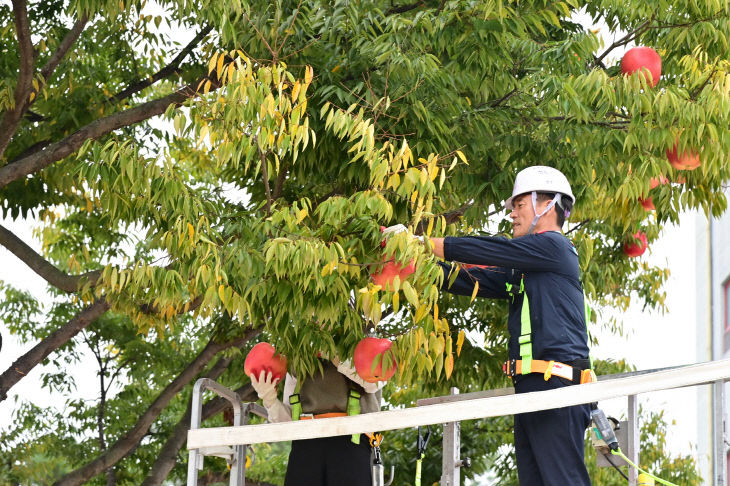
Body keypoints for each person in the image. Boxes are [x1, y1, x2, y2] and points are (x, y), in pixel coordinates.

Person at [394, 165, 593, 485]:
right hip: (532, 385)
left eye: (520, 205)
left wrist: (420, 243)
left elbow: (493, 250)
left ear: (548, 205)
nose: (512, 214)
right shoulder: (529, 270)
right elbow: (472, 281)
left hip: (555, 386)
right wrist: (413, 264)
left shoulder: (554, 247)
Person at [250, 355, 384, 486]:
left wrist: (334, 356)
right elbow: (287, 422)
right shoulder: (299, 353)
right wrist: (269, 400)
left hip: (351, 439)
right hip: (306, 442)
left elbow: (374, 382)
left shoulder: (364, 342)